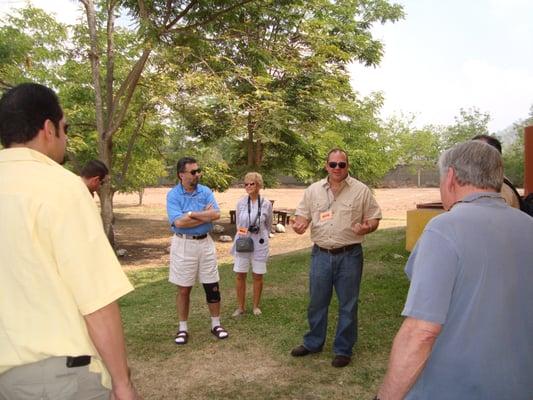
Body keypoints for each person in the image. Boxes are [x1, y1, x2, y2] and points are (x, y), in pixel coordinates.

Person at [0, 83, 139, 399]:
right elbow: (96, 299)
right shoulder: (61, 187)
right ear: (48, 129)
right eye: (65, 127)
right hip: (58, 378)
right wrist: (122, 382)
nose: (65, 137)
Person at [375, 141, 533, 399]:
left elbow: (422, 331)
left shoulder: (444, 229)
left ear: (450, 178)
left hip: (455, 388)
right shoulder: (529, 225)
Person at [290, 148, 382, 368]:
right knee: (316, 302)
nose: (337, 168)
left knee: (348, 305)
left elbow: (374, 218)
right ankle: (313, 343)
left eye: (342, 164)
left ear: (348, 166)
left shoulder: (361, 190)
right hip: (321, 254)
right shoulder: (313, 190)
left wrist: (366, 227)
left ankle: (343, 349)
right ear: (326, 166)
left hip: (349, 255)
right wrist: (299, 224)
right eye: (333, 164)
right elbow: (301, 215)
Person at [166, 157, 228, 345]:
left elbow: (216, 214)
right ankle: (183, 328)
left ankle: (216, 324)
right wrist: (204, 216)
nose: (197, 174)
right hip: (184, 245)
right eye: (193, 172)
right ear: (181, 175)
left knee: (212, 285)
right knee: (184, 288)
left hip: (205, 244)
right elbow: (178, 222)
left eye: (198, 170)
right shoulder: (173, 195)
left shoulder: (206, 191)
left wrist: (191, 214)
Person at [231, 172, 273, 317]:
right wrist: (245, 231)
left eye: (252, 183)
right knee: (240, 274)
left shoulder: (266, 203)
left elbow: (268, 225)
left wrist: (262, 235)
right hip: (243, 241)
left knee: (258, 275)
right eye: (246, 184)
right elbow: (238, 224)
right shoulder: (241, 202)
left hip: (259, 242)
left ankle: (256, 306)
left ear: (259, 185)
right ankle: (240, 307)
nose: (248, 186)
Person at [472, 134, 521, 208]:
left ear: (494, 157)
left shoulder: (498, 190)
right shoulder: (489, 182)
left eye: (478, 152)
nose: (469, 155)